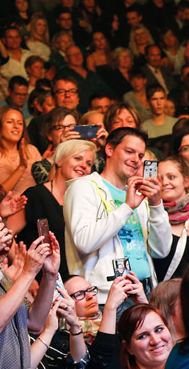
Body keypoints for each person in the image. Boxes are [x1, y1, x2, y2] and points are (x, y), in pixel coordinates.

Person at [64, 127, 172, 298]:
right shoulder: (83, 187)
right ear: (109, 149)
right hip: (102, 296)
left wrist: (156, 205)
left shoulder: (138, 193)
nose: (135, 160)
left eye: (140, 156)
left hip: (142, 291)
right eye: (129, 152)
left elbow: (161, 250)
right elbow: (84, 242)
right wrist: (127, 208)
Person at [20, 138, 95, 277]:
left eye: (89, 163)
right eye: (78, 158)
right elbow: (8, 234)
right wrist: (23, 272)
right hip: (38, 279)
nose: (84, 165)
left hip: (74, 280)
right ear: (59, 160)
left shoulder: (85, 201)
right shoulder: (36, 195)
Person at [0, 106, 42, 197]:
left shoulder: (31, 150)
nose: (16, 126)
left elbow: (47, 183)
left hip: (36, 206)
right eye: (10, 122)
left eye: (20, 123)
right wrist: (21, 167)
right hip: (9, 208)